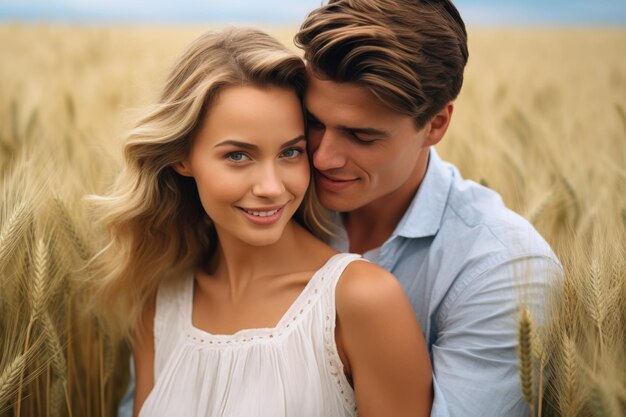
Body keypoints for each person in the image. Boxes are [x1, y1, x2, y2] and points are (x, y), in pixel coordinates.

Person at [93, 28, 432, 417]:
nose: (272, 188)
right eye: (238, 156)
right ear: (182, 158)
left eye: (290, 152)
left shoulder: (361, 301)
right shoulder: (162, 301)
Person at [293, 1, 562, 416]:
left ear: (436, 125)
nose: (323, 157)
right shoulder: (267, 203)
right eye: (313, 122)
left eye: (361, 136)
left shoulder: (501, 266)